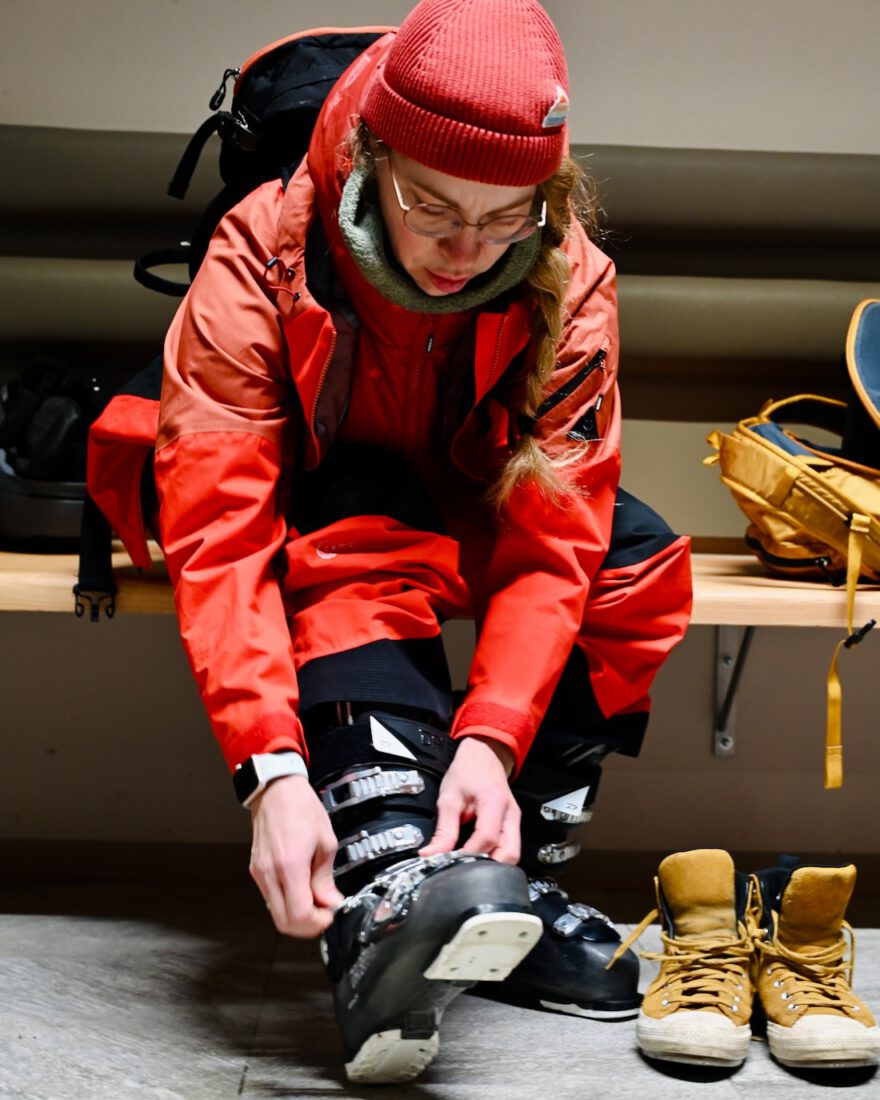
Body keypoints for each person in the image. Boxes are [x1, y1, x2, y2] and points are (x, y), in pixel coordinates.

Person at [156, 0, 692, 1084]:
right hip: (316, 513)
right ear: (372, 158)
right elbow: (220, 525)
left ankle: (503, 880)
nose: (466, 250)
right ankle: (389, 886)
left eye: (505, 218)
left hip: (468, 500)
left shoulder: (570, 269)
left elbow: (560, 533)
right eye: (433, 206)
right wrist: (267, 770)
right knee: (366, 527)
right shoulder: (265, 245)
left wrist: (492, 739)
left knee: (632, 564)